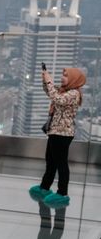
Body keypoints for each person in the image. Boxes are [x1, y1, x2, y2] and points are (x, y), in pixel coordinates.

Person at [30, 67, 86, 208]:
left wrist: (49, 81)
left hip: (63, 133)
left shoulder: (73, 93)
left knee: (61, 163)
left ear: (73, 79)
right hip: (55, 131)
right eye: (63, 75)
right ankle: (44, 187)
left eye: (66, 76)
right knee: (50, 161)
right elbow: (49, 91)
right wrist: (45, 79)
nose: (62, 78)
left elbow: (57, 99)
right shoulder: (64, 90)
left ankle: (62, 193)